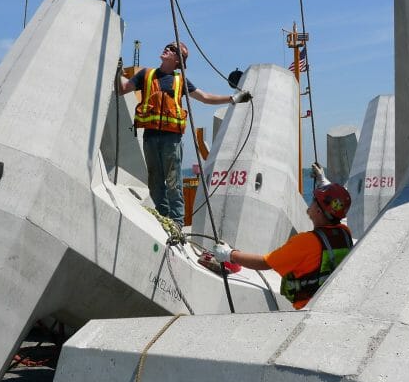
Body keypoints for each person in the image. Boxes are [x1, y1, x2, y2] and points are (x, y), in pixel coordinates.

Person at [119, 41, 251, 228]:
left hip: (171, 139)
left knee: (173, 182)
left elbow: (205, 97)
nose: (167, 48)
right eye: (167, 46)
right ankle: (162, 219)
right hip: (150, 137)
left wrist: (232, 98)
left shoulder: (180, 81)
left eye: (173, 49)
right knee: (155, 182)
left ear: (178, 60)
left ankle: (177, 223)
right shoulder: (146, 75)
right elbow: (123, 88)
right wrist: (116, 71)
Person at [213, 162, 353, 309]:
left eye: (314, 200)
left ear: (318, 211)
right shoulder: (345, 233)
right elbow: (335, 207)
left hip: (308, 309)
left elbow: (264, 263)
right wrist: (323, 181)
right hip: (332, 305)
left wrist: (229, 254)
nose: (310, 203)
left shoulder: (306, 242)